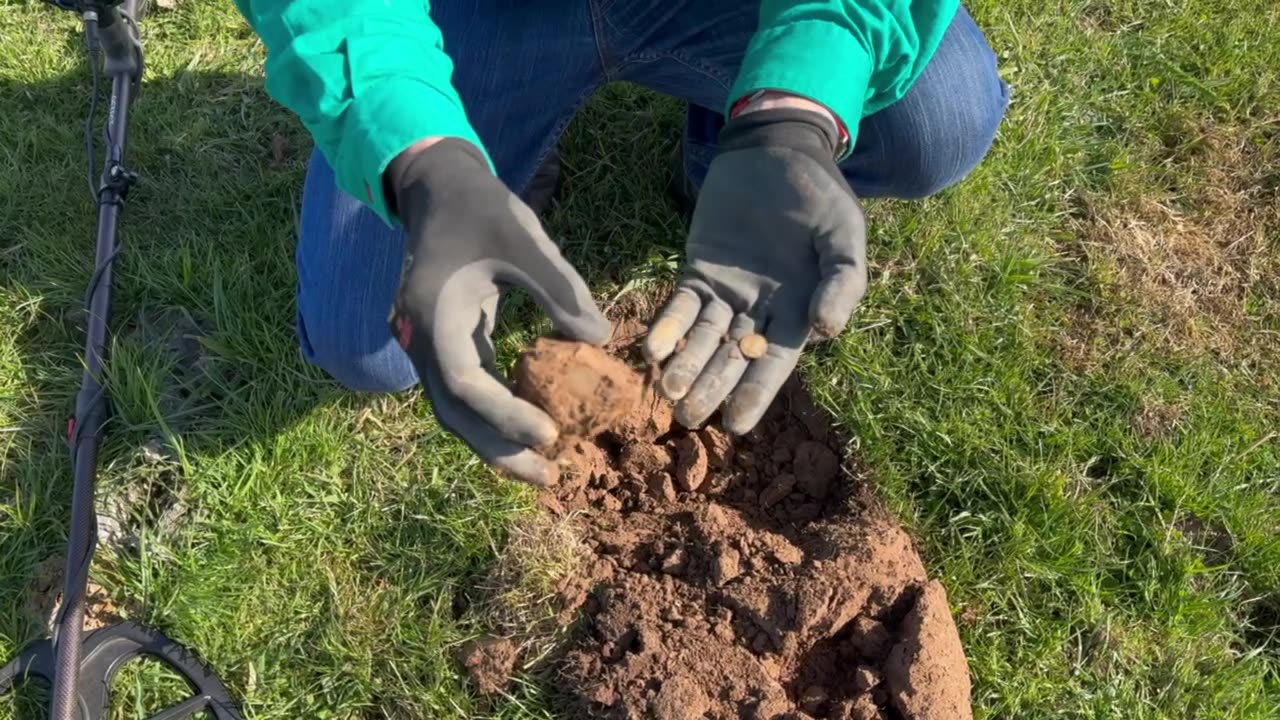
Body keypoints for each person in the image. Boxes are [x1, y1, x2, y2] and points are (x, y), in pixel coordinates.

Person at [232, 1, 1008, 487]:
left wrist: (791, 111)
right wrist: (423, 157)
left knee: (935, 121)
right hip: (465, 14)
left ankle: (730, 143)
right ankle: (497, 163)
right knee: (369, 343)